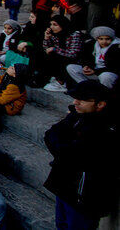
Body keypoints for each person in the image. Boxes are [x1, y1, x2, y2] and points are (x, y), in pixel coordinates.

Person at [44, 80, 118, 230]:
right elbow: (49, 134)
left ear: (100, 104)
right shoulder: (77, 116)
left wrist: (61, 147)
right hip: (64, 186)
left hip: (83, 197)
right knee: (62, 224)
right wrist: (62, 148)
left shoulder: (105, 130)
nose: (75, 102)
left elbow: (75, 155)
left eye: (82, 99)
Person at [42, 15, 85, 92]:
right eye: (51, 24)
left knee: (56, 56)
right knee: (47, 56)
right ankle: (56, 79)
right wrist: (46, 38)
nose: (52, 27)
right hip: (62, 57)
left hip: (76, 61)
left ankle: (61, 83)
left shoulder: (74, 34)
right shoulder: (56, 34)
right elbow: (46, 49)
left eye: (55, 25)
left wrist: (55, 49)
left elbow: (73, 54)